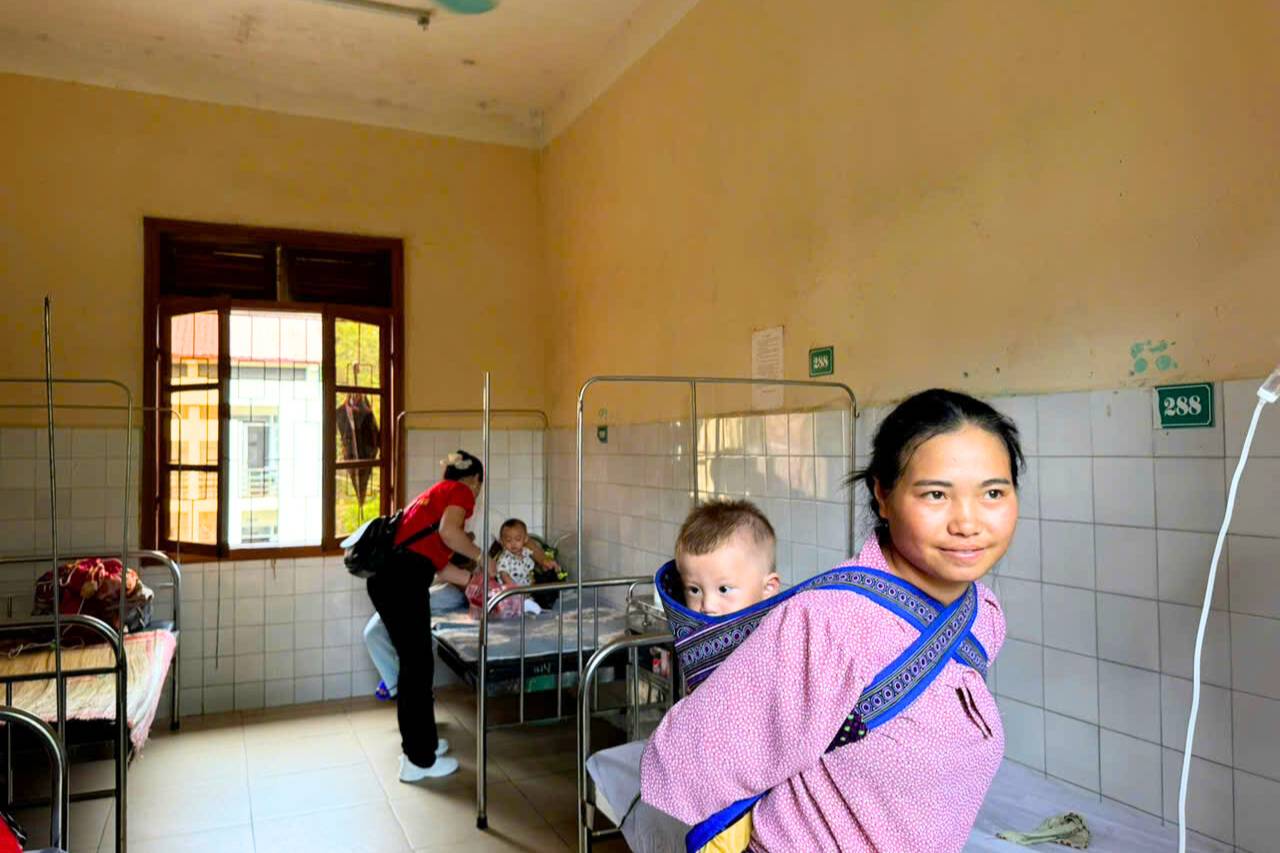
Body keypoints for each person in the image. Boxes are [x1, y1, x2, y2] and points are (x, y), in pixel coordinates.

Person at [641, 389, 1020, 852]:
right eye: (936, 494)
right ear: (883, 495)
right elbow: (683, 760)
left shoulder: (981, 615)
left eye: (993, 493)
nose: (967, 523)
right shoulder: (828, 624)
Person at [366, 450, 485, 782]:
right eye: (479, 486)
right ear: (475, 480)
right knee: (416, 668)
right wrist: (484, 558)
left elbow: (441, 568)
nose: (476, 495)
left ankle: (424, 745)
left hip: (390, 580)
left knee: (416, 666)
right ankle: (418, 760)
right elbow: (450, 534)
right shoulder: (459, 491)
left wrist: (478, 581)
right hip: (401, 583)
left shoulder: (433, 496)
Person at [671, 500, 781, 617]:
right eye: (694, 590)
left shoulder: (783, 627)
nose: (708, 606)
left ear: (768, 588)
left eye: (723, 589)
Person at [336, 392, 380, 507]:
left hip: (365, 453)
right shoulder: (341, 414)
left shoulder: (366, 413)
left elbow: (374, 439)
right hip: (357, 454)